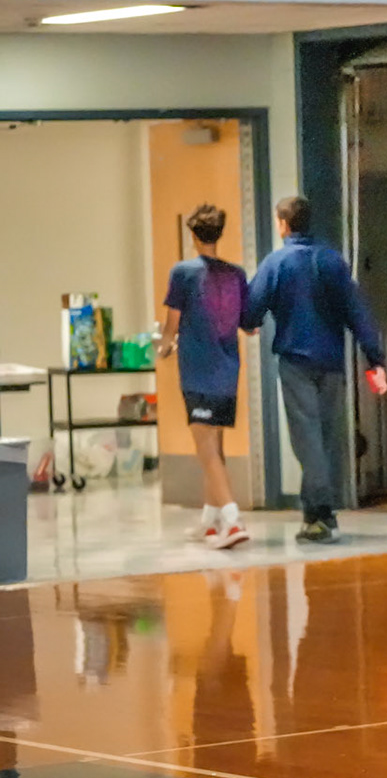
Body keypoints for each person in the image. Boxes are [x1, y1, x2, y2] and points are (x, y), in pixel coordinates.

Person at [241, 196, 387, 544]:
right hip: (333, 362)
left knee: (307, 440)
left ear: (283, 224)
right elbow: (357, 313)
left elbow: (250, 309)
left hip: (296, 362)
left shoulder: (276, 264)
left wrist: (249, 323)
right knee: (327, 438)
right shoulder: (331, 261)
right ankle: (315, 514)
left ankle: (322, 514)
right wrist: (375, 359)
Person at [158, 204, 250, 551]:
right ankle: (210, 522)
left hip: (198, 372)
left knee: (206, 450)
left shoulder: (182, 272)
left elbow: (172, 323)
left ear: (193, 236)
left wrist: (164, 347)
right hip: (228, 371)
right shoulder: (236, 274)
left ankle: (233, 519)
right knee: (217, 448)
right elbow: (248, 321)